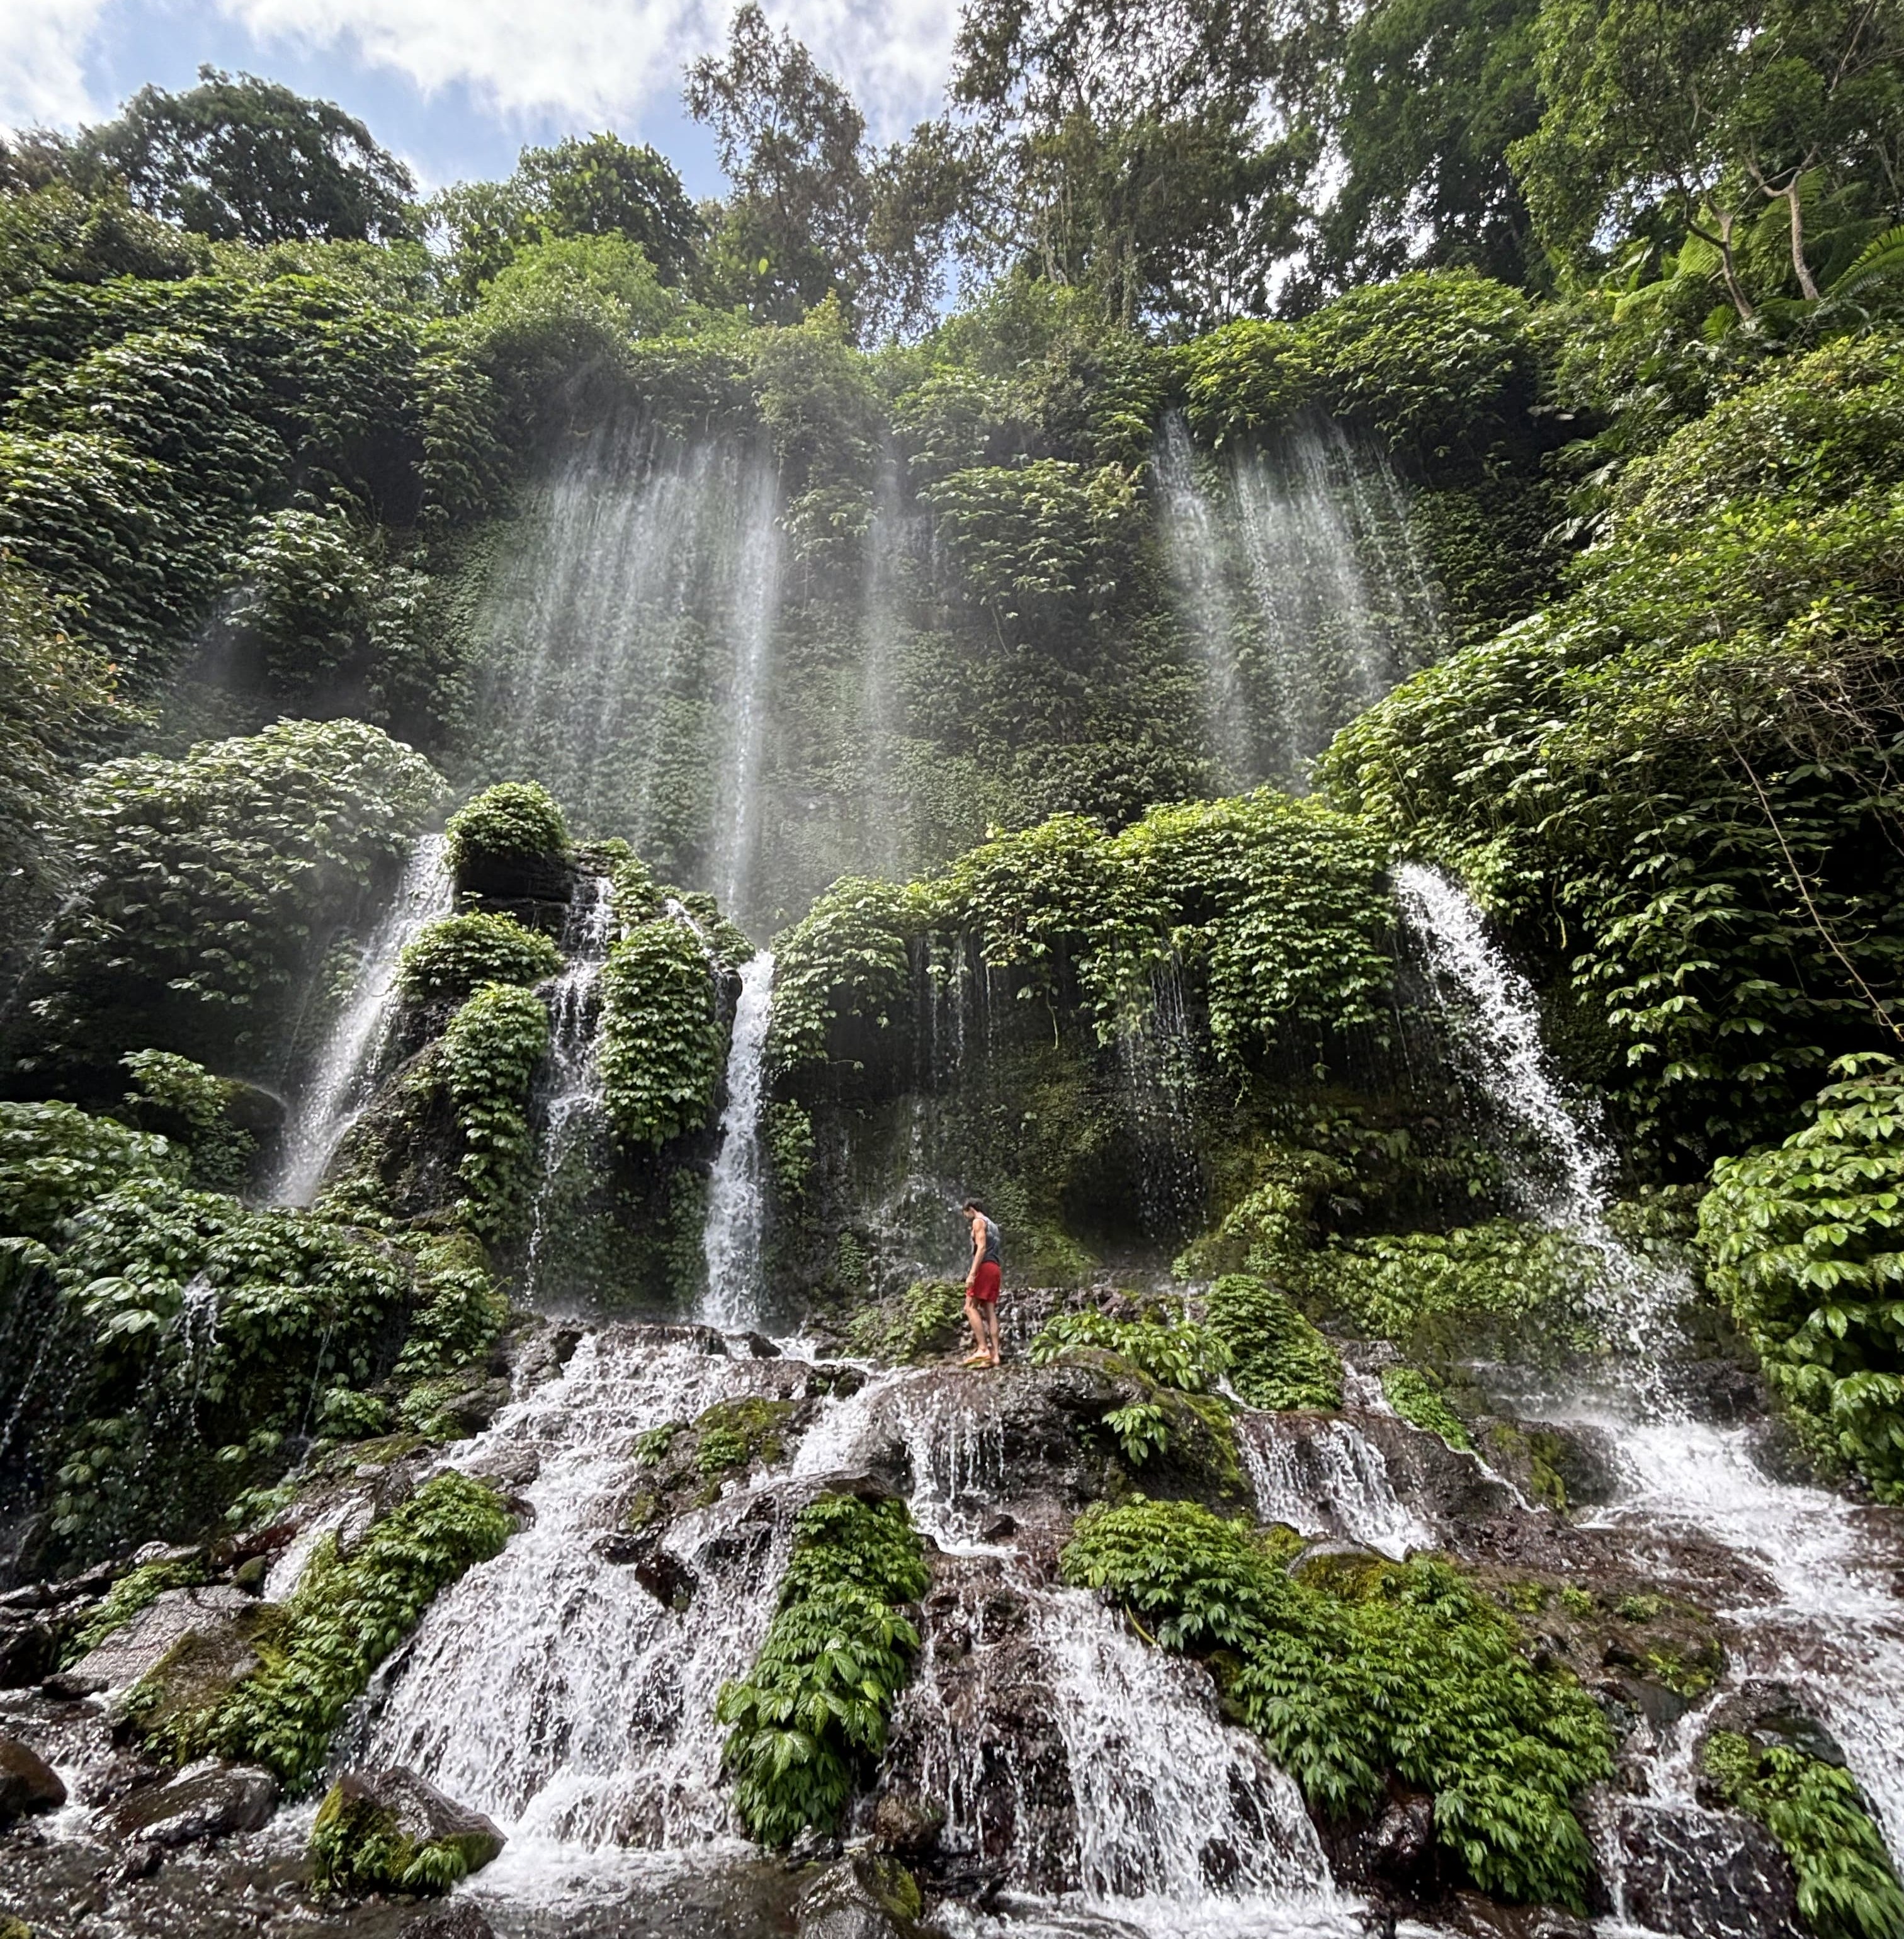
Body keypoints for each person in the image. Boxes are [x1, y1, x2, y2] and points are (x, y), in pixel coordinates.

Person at [961, 1198, 1002, 1367]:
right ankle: (995, 1355)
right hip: (995, 1268)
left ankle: (983, 1349)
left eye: (966, 1214)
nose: (966, 1218)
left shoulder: (978, 1222)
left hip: (984, 1267)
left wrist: (972, 1274)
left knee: (970, 1307)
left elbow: (982, 1248)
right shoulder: (994, 1225)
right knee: (990, 1310)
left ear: (971, 1209)